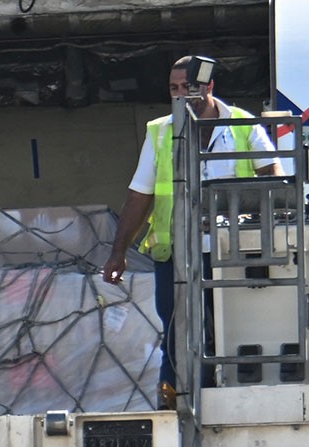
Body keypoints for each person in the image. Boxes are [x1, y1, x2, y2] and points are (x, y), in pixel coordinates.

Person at [103, 55, 267, 406]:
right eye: (173, 89)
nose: (179, 96)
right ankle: (175, 392)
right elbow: (139, 195)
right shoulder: (161, 131)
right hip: (177, 250)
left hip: (232, 249)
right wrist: (119, 251)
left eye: (187, 88)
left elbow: (275, 180)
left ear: (209, 87)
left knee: (228, 323)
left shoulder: (243, 124)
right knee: (177, 325)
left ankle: (219, 393)